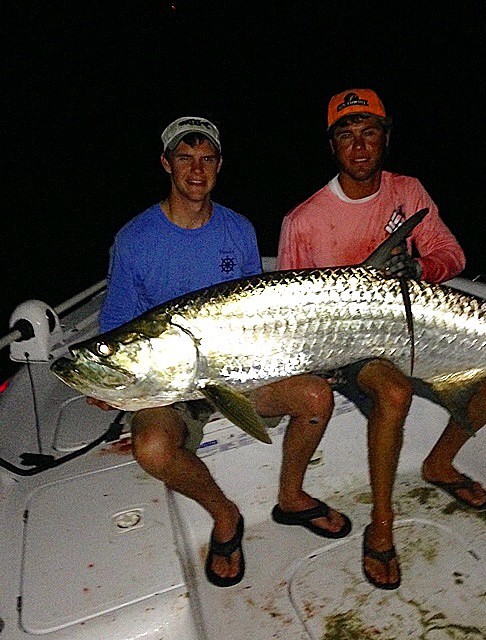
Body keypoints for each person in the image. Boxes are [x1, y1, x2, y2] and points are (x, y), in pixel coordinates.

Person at [88, 115, 350, 589]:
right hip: (167, 384)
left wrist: (301, 356)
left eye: (206, 158)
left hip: (236, 374)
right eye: (185, 158)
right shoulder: (134, 241)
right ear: (165, 163)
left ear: (219, 165)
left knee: (316, 396)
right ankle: (226, 516)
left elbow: (259, 317)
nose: (196, 170)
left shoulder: (238, 230)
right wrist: (112, 383)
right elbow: (116, 325)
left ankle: (291, 497)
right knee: (152, 448)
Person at [276, 89, 486, 590]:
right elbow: (289, 312)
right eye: (347, 135)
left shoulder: (409, 191)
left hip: (417, 334)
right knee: (393, 390)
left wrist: (425, 268)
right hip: (351, 349)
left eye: (370, 133)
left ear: (386, 138)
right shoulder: (303, 221)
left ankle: (438, 463)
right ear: (332, 145)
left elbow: (452, 254)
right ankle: (382, 525)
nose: (359, 146)